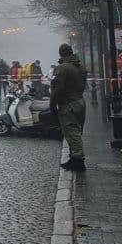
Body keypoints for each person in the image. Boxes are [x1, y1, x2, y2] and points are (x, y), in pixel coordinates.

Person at [50, 43, 87, 172]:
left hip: (68, 104)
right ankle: (74, 158)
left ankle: (78, 160)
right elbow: (83, 86)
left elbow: (57, 88)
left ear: (61, 53)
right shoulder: (81, 67)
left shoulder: (61, 68)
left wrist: (52, 104)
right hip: (80, 101)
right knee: (76, 131)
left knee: (71, 132)